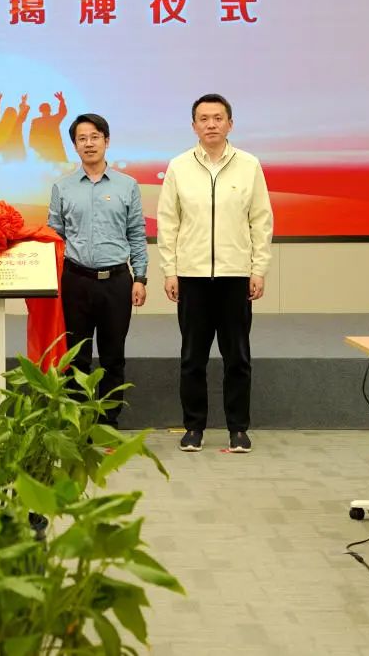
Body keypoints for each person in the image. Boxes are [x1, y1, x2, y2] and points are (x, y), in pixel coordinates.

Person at [156, 93, 273, 455]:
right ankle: (194, 428)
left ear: (230, 124)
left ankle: (238, 429)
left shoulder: (249, 165)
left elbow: (261, 221)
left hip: (235, 276)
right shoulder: (178, 166)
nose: (211, 124)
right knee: (192, 358)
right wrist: (170, 270)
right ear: (194, 126)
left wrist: (258, 269)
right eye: (204, 119)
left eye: (218, 118)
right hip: (191, 277)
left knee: (237, 357)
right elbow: (168, 222)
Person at [47, 114, 147, 426]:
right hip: (76, 281)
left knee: (112, 356)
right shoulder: (62, 187)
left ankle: (108, 424)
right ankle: (78, 423)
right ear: (74, 145)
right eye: (82, 138)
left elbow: (136, 234)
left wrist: (140, 277)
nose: (89, 143)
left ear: (106, 140)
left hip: (116, 282)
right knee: (76, 357)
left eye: (95, 137)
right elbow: (54, 235)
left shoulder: (127, 185)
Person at [29, 92, 69, 164]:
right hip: (55, 151)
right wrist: (62, 101)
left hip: (43, 151)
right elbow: (63, 112)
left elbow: (32, 137)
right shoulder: (54, 119)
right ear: (50, 109)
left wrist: (33, 150)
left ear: (40, 110)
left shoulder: (36, 121)